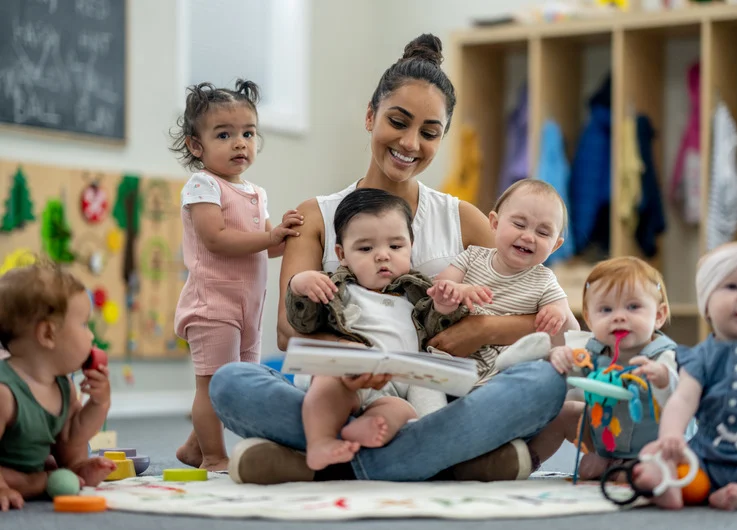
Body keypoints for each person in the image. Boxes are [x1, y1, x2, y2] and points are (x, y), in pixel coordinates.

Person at [209, 33, 573, 485]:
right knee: (231, 383)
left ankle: (324, 462)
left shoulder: (463, 218)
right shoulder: (316, 215)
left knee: (543, 385)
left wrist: (482, 329)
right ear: (370, 116)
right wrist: (359, 362)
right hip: (343, 391)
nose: (410, 143)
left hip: (436, 398)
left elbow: (541, 308)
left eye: (429, 132)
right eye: (397, 122)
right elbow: (288, 330)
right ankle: (442, 461)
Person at [288, 188, 484, 470]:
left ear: (411, 246)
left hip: (392, 388)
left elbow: (434, 330)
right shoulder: (338, 288)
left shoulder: (416, 293)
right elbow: (303, 322)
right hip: (347, 376)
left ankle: (365, 428)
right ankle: (321, 441)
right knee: (326, 383)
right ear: (342, 254)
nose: (382, 256)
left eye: (395, 246)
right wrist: (300, 286)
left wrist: (445, 305)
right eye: (366, 249)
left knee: (402, 412)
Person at [169, 79, 303, 472]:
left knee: (238, 384)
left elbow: (265, 246)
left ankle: (195, 446)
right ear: (197, 146)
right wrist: (268, 235)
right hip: (213, 303)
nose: (240, 143)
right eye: (224, 135)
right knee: (211, 384)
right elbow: (217, 239)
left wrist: (286, 234)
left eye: (248, 133)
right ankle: (213, 455)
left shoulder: (256, 193)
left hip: (249, 307)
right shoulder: (202, 185)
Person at [635, 242, 737, 510]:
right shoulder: (701, 355)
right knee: (650, 454)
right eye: (732, 287)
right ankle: (667, 486)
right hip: (704, 460)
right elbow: (682, 401)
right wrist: (672, 436)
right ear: (707, 305)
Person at [502, 257, 679, 480]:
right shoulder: (594, 349)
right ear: (589, 318)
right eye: (605, 309)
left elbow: (682, 397)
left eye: (633, 307)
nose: (619, 317)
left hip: (652, 446)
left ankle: (624, 469)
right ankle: (520, 463)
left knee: (641, 475)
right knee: (565, 413)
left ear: (659, 316)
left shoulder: (663, 355)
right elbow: (567, 374)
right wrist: (558, 356)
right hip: (605, 436)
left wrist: (663, 378)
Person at [431, 178, 577, 385]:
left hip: (506, 371)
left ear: (555, 246)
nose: (528, 237)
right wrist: (455, 292)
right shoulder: (472, 257)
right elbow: (440, 294)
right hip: (454, 362)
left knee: (542, 369)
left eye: (543, 233)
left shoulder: (544, 280)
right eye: (519, 224)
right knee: (425, 386)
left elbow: (569, 328)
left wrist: (556, 313)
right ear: (495, 223)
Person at [0, 262, 116, 511]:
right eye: (84, 325)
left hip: (32, 466)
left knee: (60, 461)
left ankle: (66, 475)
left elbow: (72, 437)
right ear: (48, 334)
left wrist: (99, 402)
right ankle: (37, 482)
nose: (91, 337)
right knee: (36, 474)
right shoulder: (4, 392)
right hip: (6, 471)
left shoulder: (63, 386)